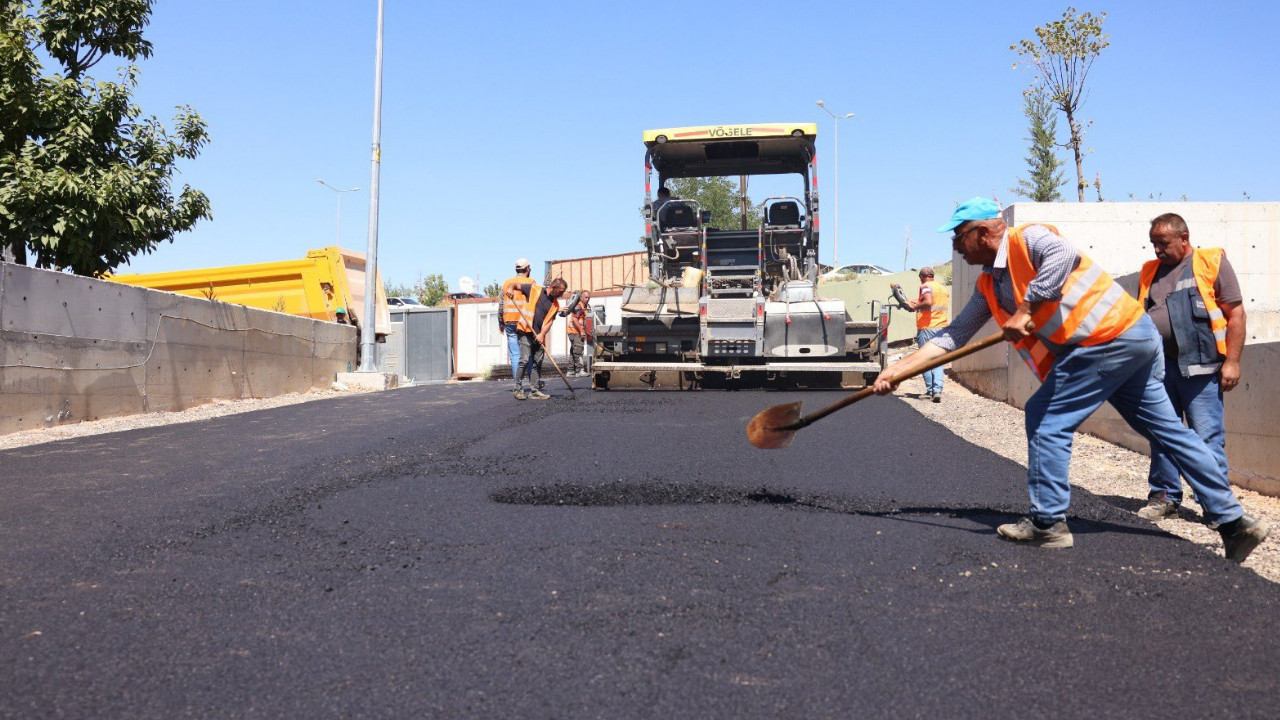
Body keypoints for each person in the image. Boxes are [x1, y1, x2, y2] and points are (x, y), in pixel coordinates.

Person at [872, 197, 1268, 562]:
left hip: (1106, 339)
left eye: (959, 236)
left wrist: (1028, 307)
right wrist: (898, 370)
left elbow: (1063, 254)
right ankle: (1234, 522)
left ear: (984, 231)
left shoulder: (1030, 239)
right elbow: (952, 336)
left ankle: (1047, 523)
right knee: (1168, 431)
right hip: (1133, 337)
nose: (956, 247)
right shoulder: (989, 284)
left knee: (1045, 417)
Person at [1135, 213, 1247, 521]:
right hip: (1158, 369)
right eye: (1153, 243)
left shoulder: (1210, 263)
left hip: (1201, 369)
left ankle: (1216, 506)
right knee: (1162, 433)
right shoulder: (1150, 272)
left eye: (1163, 243)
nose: (1157, 250)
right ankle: (1164, 496)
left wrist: (1233, 361)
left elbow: (1236, 314)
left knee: (1207, 436)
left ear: (1184, 238)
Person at [515, 277, 567, 400]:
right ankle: (518, 389)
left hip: (538, 335)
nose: (561, 295)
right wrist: (510, 291)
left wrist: (542, 334)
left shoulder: (555, 305)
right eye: (560, 292)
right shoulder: (535, 289)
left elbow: (549, 322)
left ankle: (534, 391)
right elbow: (514, 285)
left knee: (537, 362)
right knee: (524, 360)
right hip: (525, 330)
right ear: (553, 288)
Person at [904, 266, 950, 402]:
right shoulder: (942, 288)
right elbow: (932, 301)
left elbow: (929, 302)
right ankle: (937, 390)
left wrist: (914, 307)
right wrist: (917, 302)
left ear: (922, 277)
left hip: (927, 328)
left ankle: (930, 391)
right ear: (933, 276)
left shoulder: (925, 286)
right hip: (941, 327)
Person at [501, 259, 535, 397]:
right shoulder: (531, 282)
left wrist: (500, 322)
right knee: (528, 352)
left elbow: (501, 304)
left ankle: (517, 385)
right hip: (524, 321)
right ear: (528, 268)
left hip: (509, 321)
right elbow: (534, 302)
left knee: (515, 355)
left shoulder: (506, 282)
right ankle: (533, 383)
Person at [565, 290, 593, 376]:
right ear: (581, 297)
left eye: (589, 297)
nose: (587, 299)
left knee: (574, 350)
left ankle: (570, 370)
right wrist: (581, 330)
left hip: (575, 331)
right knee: (578, 350)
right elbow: (574, 319)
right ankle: (579, 370)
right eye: (586, 297)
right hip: (575, 331)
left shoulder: (585, 306)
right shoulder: (578, 306)